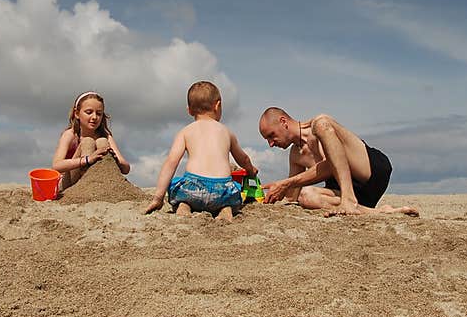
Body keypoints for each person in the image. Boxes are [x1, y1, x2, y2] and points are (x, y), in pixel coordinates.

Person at [258, 107, 417, 217]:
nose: (271, 144)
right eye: (267, 140)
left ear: (283, 122)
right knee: (306, 195)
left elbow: (329, 166)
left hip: (369, 170)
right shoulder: (295, 154)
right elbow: (292, 198)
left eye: (271, 135)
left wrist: (286, 183)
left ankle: (349, 200)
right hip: (353, 193)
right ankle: (380, 212)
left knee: (321, 122)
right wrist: (270, 194)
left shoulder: (315, 133)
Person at [144, 81, 258, 222]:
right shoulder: (226, 132)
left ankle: (184, 205)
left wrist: (158, 197)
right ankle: (225, 209)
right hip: (221, 190)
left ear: (189, 110)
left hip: (192, 189)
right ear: (218, 105)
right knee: (235, 191)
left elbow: (171, 162)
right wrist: (251, 170)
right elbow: (244, 159)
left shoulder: (185, 132)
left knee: (175, 185)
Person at [51, 90, 131, 193]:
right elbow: (56, 166)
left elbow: (126, 169)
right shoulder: (71, 135)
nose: (94, 117)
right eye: (89, 112)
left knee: (102, 142)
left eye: (99, 114)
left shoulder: (105, 136)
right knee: (88, 142)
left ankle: (98, 189)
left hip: (98, 186)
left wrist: (115, 160)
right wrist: (87, 159)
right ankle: (85, 187)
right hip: (68, 184)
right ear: (77, 113)